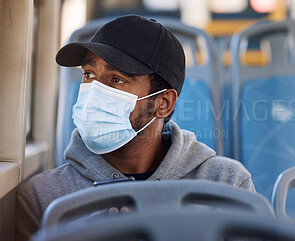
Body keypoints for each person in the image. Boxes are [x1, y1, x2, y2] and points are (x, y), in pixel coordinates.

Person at [15, 15, 255, 240]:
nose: (93, 92)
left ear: (163, 103)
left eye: (117, 79)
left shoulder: (226, 184)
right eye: (88, 75)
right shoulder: (42, 198)